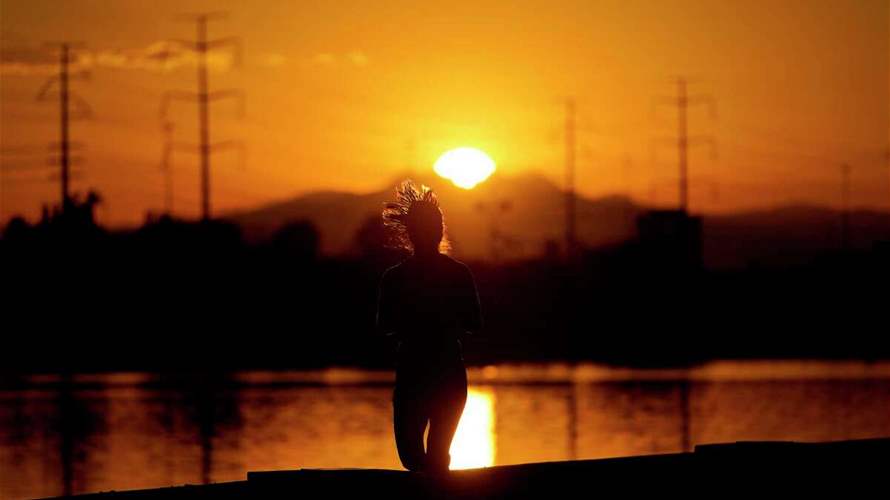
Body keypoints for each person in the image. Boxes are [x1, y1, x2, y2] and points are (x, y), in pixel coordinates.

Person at [376, 180, 483, 473]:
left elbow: (384, 326)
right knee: (433, 457)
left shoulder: (394, 278)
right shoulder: (458, 274)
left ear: (410, 233)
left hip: (415, 374)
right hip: (447, 373)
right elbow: (475, 323)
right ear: (439, 230)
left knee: (415, 458)